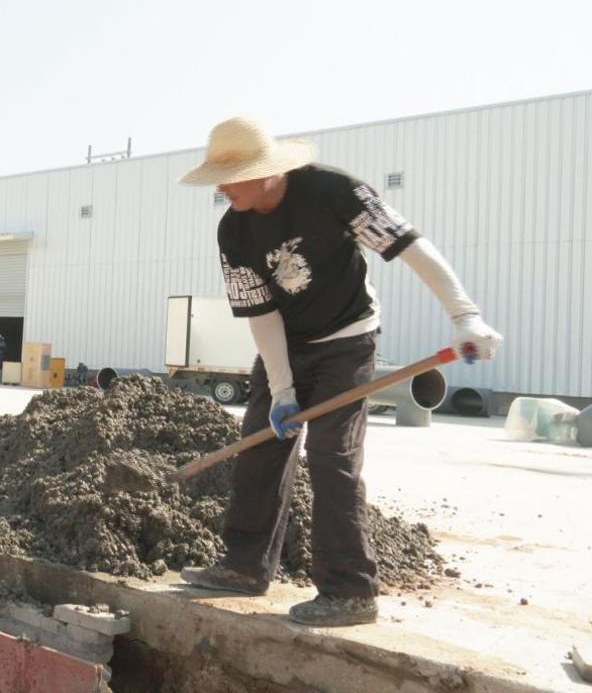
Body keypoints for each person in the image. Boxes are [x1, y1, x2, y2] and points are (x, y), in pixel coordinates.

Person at [177, 117, 502, 626]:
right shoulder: (233, 229)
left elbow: (409, 246)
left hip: (347, 340)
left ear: (264, 171)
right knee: (261, 444)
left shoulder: (334, 191)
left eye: (230, 175)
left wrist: (465, 315)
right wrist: (282, 389)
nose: (220, 186)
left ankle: (350, 591)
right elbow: (261, 315)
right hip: (285, 343)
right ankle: (243, 568)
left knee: (333, 456)